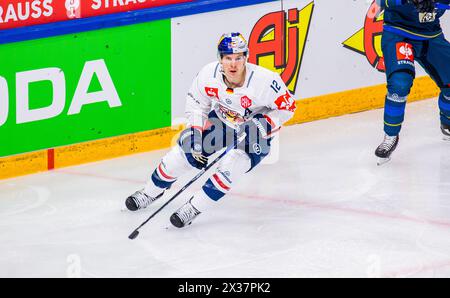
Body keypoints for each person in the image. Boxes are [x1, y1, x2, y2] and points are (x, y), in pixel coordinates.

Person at [125, 33, 297, 227]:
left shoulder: (265, 81)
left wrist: (263, 124)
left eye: (238, 58)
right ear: (220, 59)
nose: (233, 64)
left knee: (231, 168)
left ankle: (193, 207)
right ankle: (149, 192)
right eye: (228, 58)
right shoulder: (209, 74)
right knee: (181, 155)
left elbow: (288, 108)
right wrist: (195, 134)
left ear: (246, 57)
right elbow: (197, 105)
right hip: (222, 122)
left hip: (254, 133)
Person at [374, 0, 450, 165]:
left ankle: (447, 122)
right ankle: (390, 135)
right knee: (400, 83)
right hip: (399, 33)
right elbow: (381, 2)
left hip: (431, 35)